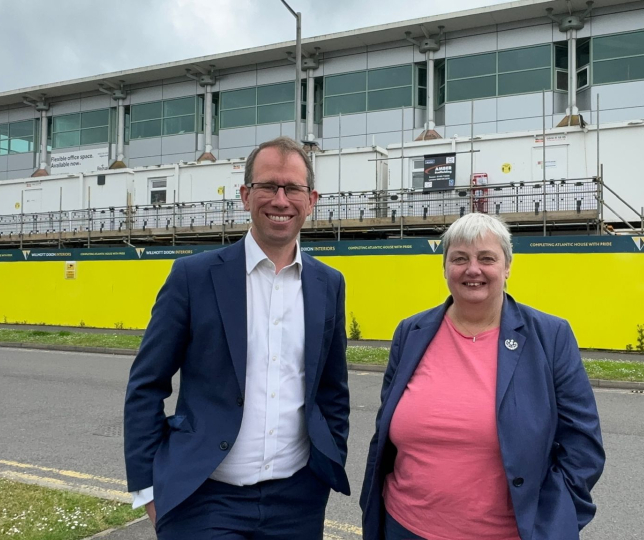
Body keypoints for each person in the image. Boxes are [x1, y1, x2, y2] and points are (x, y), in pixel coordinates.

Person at [124, 137, 350, 539]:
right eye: (268, 186)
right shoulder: (193, 277)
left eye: (293, 188)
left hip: (298, 500)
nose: (280, 200)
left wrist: (327, 464)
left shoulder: (328, 283)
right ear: (246, 195)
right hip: (205, 499)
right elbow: (146, 385)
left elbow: (333, 389)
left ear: (311, 199)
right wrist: (148, 489)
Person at [360, 212, 604, 540]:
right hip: (403, 526)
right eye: (459, 258)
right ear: (445, 267)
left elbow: (582, 446)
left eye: (487, 258)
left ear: (507, 267)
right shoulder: (411, 332)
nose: (473, 269)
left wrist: (552, 523)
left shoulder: (550, 336)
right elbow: (384, 431)